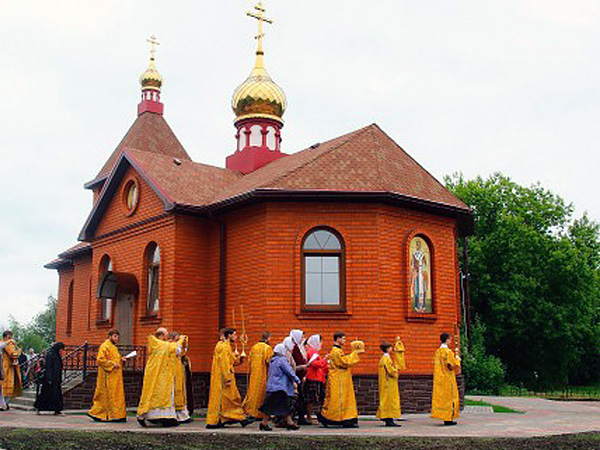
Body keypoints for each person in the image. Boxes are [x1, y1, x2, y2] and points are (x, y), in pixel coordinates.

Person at [137, 328, 187, 427]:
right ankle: (159, 418)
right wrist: (181, 340)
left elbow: (176, 351)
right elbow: (174, 348)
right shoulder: (160, 344)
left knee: (153, 396)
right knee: (161, 397)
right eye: (166, 335)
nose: (167, 338)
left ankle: (161, 418)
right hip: (161, 377)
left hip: (159, 375)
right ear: (161, 335)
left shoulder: (157, 344)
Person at [205, 327, 252, 429]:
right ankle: (240, 418)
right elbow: (225, 364)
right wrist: (227, 378)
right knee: (232, 398)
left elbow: (231, 362)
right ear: (229, 335)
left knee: (225, 400)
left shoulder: (225, 346)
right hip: (224, 378)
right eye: (234, 334)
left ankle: (220, 419)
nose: (236, 337)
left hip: (222, 378)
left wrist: (240, 359)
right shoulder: (224, 347)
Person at [318, 332, 364, 428]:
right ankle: (336, 418)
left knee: (341, 399)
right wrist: (355, 354)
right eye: (343, 339)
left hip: (341, 378)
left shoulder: (337, 351)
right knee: (338, 399)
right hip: (338, 379)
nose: (344, 341)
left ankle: (342, 418)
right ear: (338, 339)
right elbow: (344, 362)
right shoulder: (336, 351)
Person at [258, 343, 301, 431]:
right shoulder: (282, 360)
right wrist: (297, 380)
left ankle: (288, 422)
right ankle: (265, 423)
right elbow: (289, 371)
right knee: (283, 405)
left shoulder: (272, 360)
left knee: (274, 406)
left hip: (272, 386)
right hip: (280, 387)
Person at [87, 330, 127, 422]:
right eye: (115, 336)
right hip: (107, 376)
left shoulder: (113, 347)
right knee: (105, 395)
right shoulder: (105, 346)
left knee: (116, 395)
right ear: (109, 336)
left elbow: (115, 358)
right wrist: (113, 365)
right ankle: (101, 414)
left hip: (115, 376)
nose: (116, 339)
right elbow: (100, 360)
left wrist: (121, 359)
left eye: (117, 337)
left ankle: (117, 415)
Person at [431, 333, 461, 426]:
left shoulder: (437, 352)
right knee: (450, 398)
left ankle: (444, 416)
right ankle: (448, 418)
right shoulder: (448, 352)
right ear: (447, 340)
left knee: (442, 398)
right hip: (448, 378)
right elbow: (451, 366)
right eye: (450, 340)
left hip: (440, 378)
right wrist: (457, 359)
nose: (451, 341)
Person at [242, 331, 273, 420]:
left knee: (252, 393)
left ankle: (251, 411)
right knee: (261, 394)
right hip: (263, 374)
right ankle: (259, 413)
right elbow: (269, 362)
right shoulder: (267, 348)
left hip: (253, 374)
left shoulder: (254, 347)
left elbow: (250, 360)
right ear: (268, 338)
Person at [34, 342, 65, 414]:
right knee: (45, 394)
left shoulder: (57, 354)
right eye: (61, 349)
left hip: (56, 378)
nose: (61, 351)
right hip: (50, 378)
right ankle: (38, 407)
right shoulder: (50, 354)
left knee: (56, 395)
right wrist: (49, 378)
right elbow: (48, 367)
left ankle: (57, 409)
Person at [376, 342, 401, 427]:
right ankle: (388, 418)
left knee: (386, 400)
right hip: (388, 384)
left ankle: (387, 418)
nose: (392, 349)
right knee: (389, 401)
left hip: (385, 383)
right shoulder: (387, 359)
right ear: (387, 349)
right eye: (390, 347)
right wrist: (396, 371)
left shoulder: (383, 359)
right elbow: (390, 370)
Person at [169, 331, 192, 423]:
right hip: (173, 372)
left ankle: (183, 415)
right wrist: (180, 341)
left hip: (179, 371)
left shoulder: (176, 346)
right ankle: (176, 415)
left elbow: (182, 352)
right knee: (175, 393)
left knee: (181, 392)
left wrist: (185, 344)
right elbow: (177, 351)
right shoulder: (170, 346)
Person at [289, 329, 309, 425]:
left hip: (299, 375)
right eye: (301, 337)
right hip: (296, 376)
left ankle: (299, 416)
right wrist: (302, 367)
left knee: (301, 397)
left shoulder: (298, 347)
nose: (302, 339)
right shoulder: (294, 348)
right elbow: (294, 363)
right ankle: (295, 417)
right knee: (298, 397)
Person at [2, 331, 23, 409]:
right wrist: (19, 351)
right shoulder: (9, 343)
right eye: (10, 337)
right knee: (8, 385)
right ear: (7, 337)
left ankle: (4, 404)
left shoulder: (1, 343)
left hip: (2, 365)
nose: (11, 339)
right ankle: (4, 404)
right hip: (7, 367)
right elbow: (13, 355)